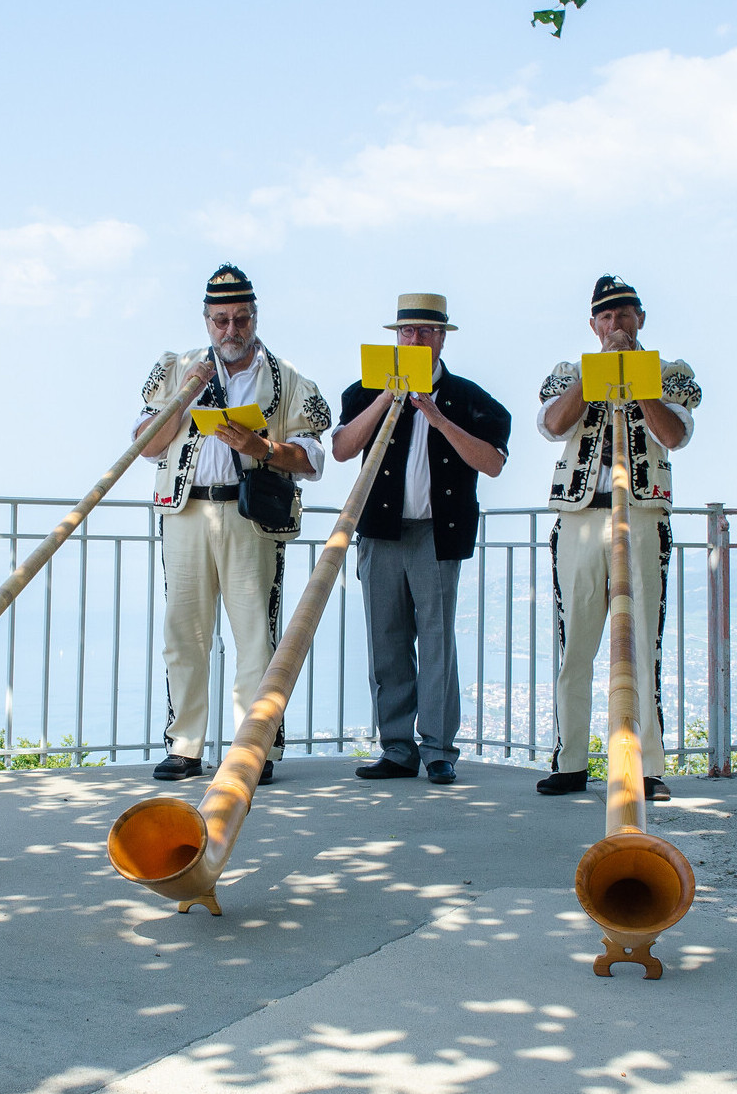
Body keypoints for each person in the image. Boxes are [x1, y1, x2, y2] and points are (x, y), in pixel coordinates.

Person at [134, 264, 331, 783]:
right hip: (186, 511)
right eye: (220, 320)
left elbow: (314, 457)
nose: (230, 331)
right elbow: (146, 445)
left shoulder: (287, 379)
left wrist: (262, 447)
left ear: (254, 317)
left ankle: (253, 747)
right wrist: (184, 400)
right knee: (184, 632)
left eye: (240, 319)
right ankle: (185, 745)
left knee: (255, 637)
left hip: (250, 517)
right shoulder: (178, 370)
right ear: (205, 321)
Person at [334, 292, 510, 785]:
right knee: (385, 641)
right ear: (396, 337)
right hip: (381, 534)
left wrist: (436, 417)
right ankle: (396, 748)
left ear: (441, 339)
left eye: (426, 332)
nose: (415, 339)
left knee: (436, 643)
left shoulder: (471, 397)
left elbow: (492, 463)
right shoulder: (364, 390)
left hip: (436, 534)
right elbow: (344, 448)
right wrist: (386, 399)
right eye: (407, 332)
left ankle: (437, 749)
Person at [536, 275, 701, 800]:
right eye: (606, 317)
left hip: (644, 514)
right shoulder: (569, 373)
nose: (616, 325)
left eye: (625, 315)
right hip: (582, 516)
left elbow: (673, 435)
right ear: (593, 325)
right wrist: (596, 375)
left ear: (641, 320)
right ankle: (571, 761)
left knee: (641, 644)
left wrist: (638, 379)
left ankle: (645, 767)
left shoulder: (670, 374)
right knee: (575, 646)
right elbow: (552, 426)